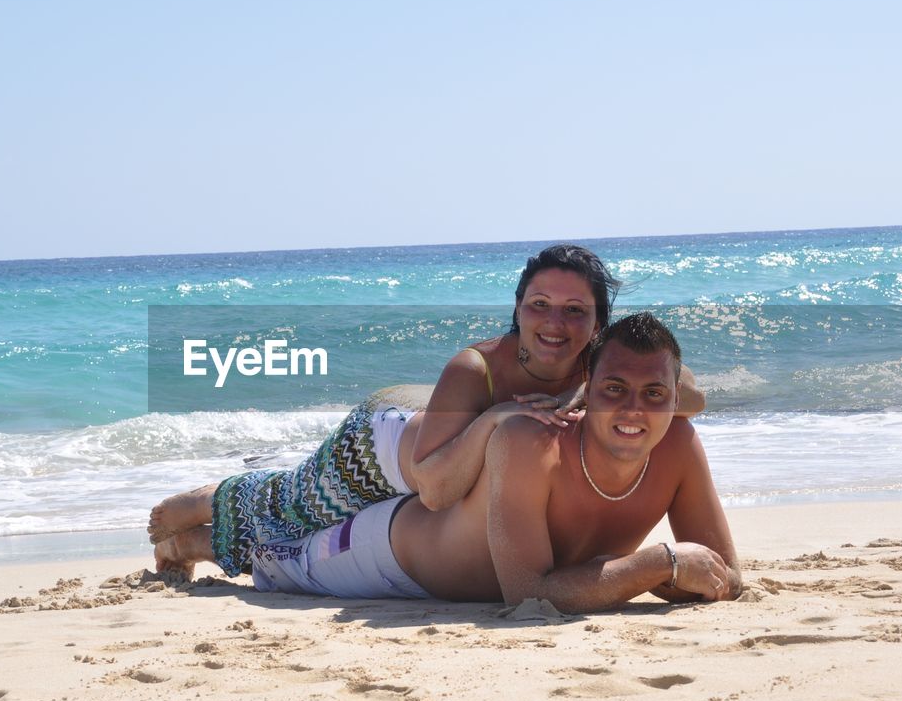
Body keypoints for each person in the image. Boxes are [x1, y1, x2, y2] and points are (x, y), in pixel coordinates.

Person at [151, 246, 706, 579]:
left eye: (574, 310)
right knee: (292, 505)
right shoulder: (476, 368)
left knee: (296, 546)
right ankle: (203, 500)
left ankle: (195, 546)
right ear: (517, 309)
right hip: (386, 450)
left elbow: (691, 398)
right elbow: (437, 491)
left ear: (598, 323)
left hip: (443, 477)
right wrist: (496, 416)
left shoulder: (603, 365)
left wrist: (582, 394)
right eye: (539, 305)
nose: (555, 323)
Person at [164, 313, 739, 614]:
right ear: (589, 385)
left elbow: (724, 578)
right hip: (389, 554)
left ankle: (203, 537)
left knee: (283, 526)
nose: (634, 410)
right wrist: (661, 563)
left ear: (674, 394)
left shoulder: (679, 444)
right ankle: (196, 532)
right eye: (614, 389)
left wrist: (674, 574)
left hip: (425, 478)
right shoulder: (527, 440)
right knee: (273, 550)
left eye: (655, 395)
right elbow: (527, 593)